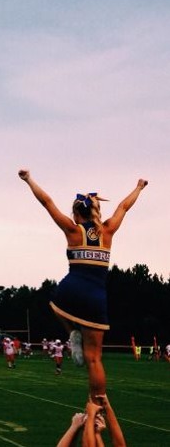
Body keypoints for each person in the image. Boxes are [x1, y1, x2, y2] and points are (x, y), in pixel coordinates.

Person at [19, 169, 148, 400]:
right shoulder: (107, 231)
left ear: (77, 214)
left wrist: (29, 179)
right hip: (96, 297)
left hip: (70, 290)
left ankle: (72, 334)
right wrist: (139, 187)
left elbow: (47, 202)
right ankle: (98, 402)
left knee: (54, 303)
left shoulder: (73, 230)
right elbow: (124, 207)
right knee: (95, 358)